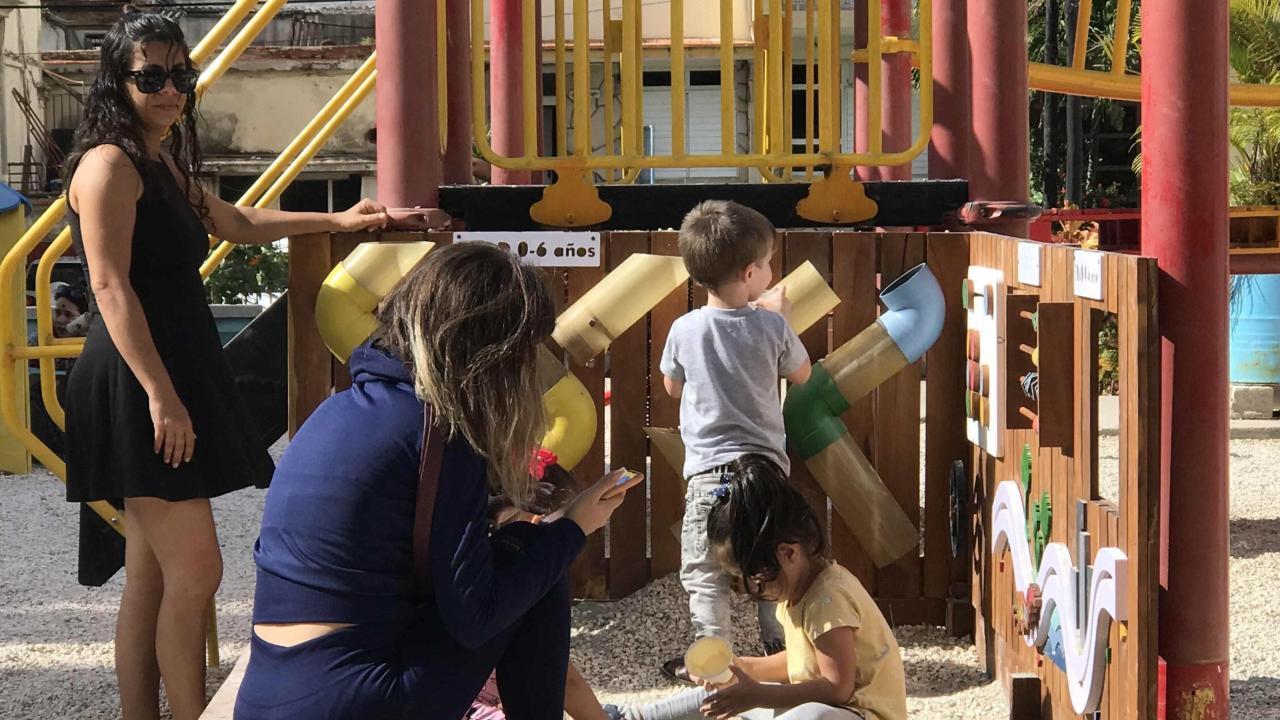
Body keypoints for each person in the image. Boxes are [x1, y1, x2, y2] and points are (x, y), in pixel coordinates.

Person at [61, 10, 388, 719]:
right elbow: (110, 286)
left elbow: (234, 222)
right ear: (117, 83)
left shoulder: (155, 158)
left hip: (162, 372)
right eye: (151, 76)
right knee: (198, 570)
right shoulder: (110, 165)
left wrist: (338, 221)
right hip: (134, 380)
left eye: (182, 75)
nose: (171, 89)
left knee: (151, 573)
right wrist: (161, 396)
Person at [236, 241, 631, 719]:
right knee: (535, 550)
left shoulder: (338, 410)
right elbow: (477, 614)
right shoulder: (439, 431)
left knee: (531, 550)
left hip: (267, 696)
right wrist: (572, 527)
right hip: (358, 701)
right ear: (492, 354)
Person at [616, 455, 908, 720]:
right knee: (725, 692)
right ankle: (632, 717)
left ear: (788, 553)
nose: (755, 591)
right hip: (829, 707)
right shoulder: (799, 589)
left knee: (809, 716)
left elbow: (836, 689)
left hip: (860, 713)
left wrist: (758, 695)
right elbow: (800, 660)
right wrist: (740, 667)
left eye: (756, 579)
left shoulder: (828, 599)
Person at [658, 200, 812, 681]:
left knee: (704, 573)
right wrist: (782, 317)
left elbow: (671, 386)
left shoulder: (684, 329)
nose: (770, 272)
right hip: (765, 472)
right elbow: (802, 374)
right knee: (771, 558)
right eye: (767, 264)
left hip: (707, 475)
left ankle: (714, 659)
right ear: (750, 272)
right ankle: (777, 647)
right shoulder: (772, 325)